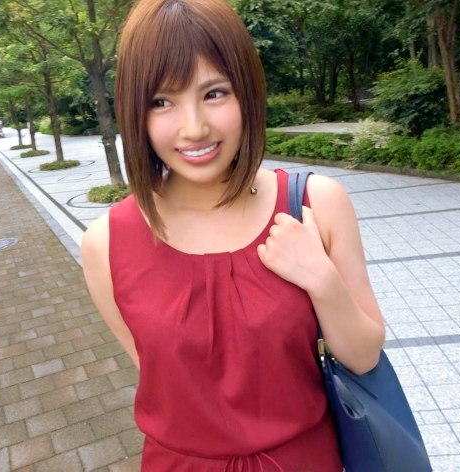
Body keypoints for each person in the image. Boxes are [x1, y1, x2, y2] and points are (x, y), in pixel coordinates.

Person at [80, 0, 385, 470]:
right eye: (161, 101)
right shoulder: (106, 244)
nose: (194, 127)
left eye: (215, 92)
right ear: (134, 111)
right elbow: (162, 379)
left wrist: (322, 280)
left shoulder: (316, 204)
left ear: (247, 92)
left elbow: (364, 357)